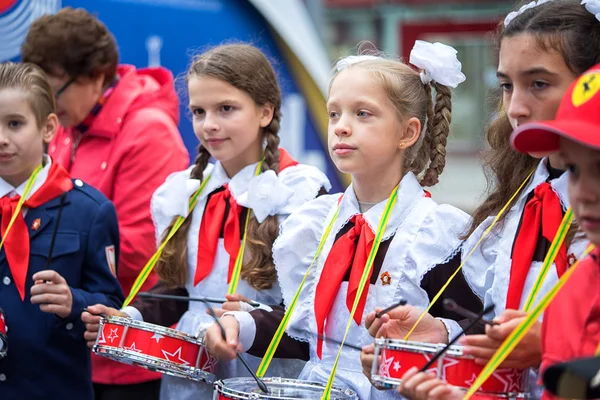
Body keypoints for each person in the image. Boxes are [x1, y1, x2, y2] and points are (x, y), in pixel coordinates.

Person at [204, 40, 483, 400]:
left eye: (362, 114)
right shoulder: (318, 222)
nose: (340, 127)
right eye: (334, 113)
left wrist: (442, 331)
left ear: (408, 132)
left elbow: (475, 330)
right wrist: (240, 324)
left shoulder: (437, 235)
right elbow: (309, 336)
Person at [82, 43, 332, 399]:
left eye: (226, 109)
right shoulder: (187, 194)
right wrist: (131, 316)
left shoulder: (301, 195)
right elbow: (183, 291)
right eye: (199, 111)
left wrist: (247, 321)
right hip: (193, 381)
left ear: (265, 111)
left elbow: (314, 314)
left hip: (267, 378)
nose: (209, 125)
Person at [395, 0, 600, 398]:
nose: (516, 108)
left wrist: (550, 341)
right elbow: (496, 317)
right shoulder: (514, 204)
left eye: (538, 83)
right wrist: (444, 333)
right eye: (506, 85)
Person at [20, 8, 189, 399]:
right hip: (71, 348)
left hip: (128, 361)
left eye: (54, 91)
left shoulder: (148, 132)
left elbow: (140, 257)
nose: (47, 106)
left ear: (95, 75)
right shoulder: (68, 123)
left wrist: (25, 259)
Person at [0, 61, 123, 399]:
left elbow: (111, 307)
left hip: (54, 388)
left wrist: (74, 302)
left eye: (15, 123)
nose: (2, 138)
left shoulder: (90, 211)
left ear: (48, 128)